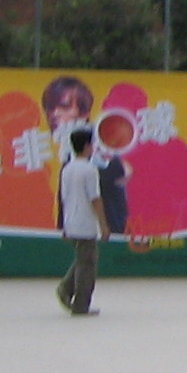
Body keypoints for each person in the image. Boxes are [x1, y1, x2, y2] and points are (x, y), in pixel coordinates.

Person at [55, 127, 106, 316]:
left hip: (71, 220)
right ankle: (80, 305)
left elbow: (64, 198)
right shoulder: (89, 170)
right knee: (87, 265)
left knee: (83, 259)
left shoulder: (67, 169)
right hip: (85, 223)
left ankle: (65, 289)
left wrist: (63, 223)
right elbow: (95, 199)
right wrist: (103, 224)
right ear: (86, 146)